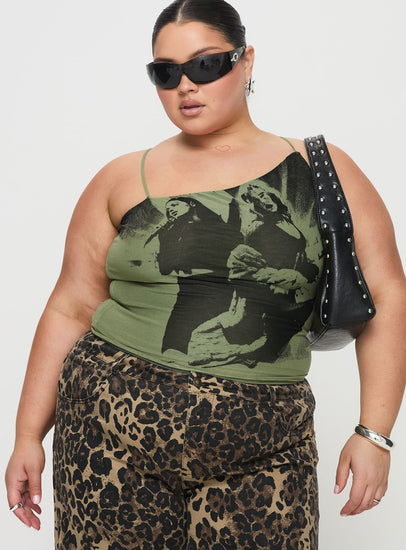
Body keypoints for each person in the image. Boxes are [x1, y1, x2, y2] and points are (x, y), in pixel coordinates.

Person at [5, 0, 406, 548]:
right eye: (165, 73)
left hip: (265, 440)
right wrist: (28, 434)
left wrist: (374, 434)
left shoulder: (318, 168)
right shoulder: (121, 178)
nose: (186, 86)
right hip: (108, 429)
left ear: (246, 60)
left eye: (205, 64)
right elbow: (70, 307)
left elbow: (387, 293)